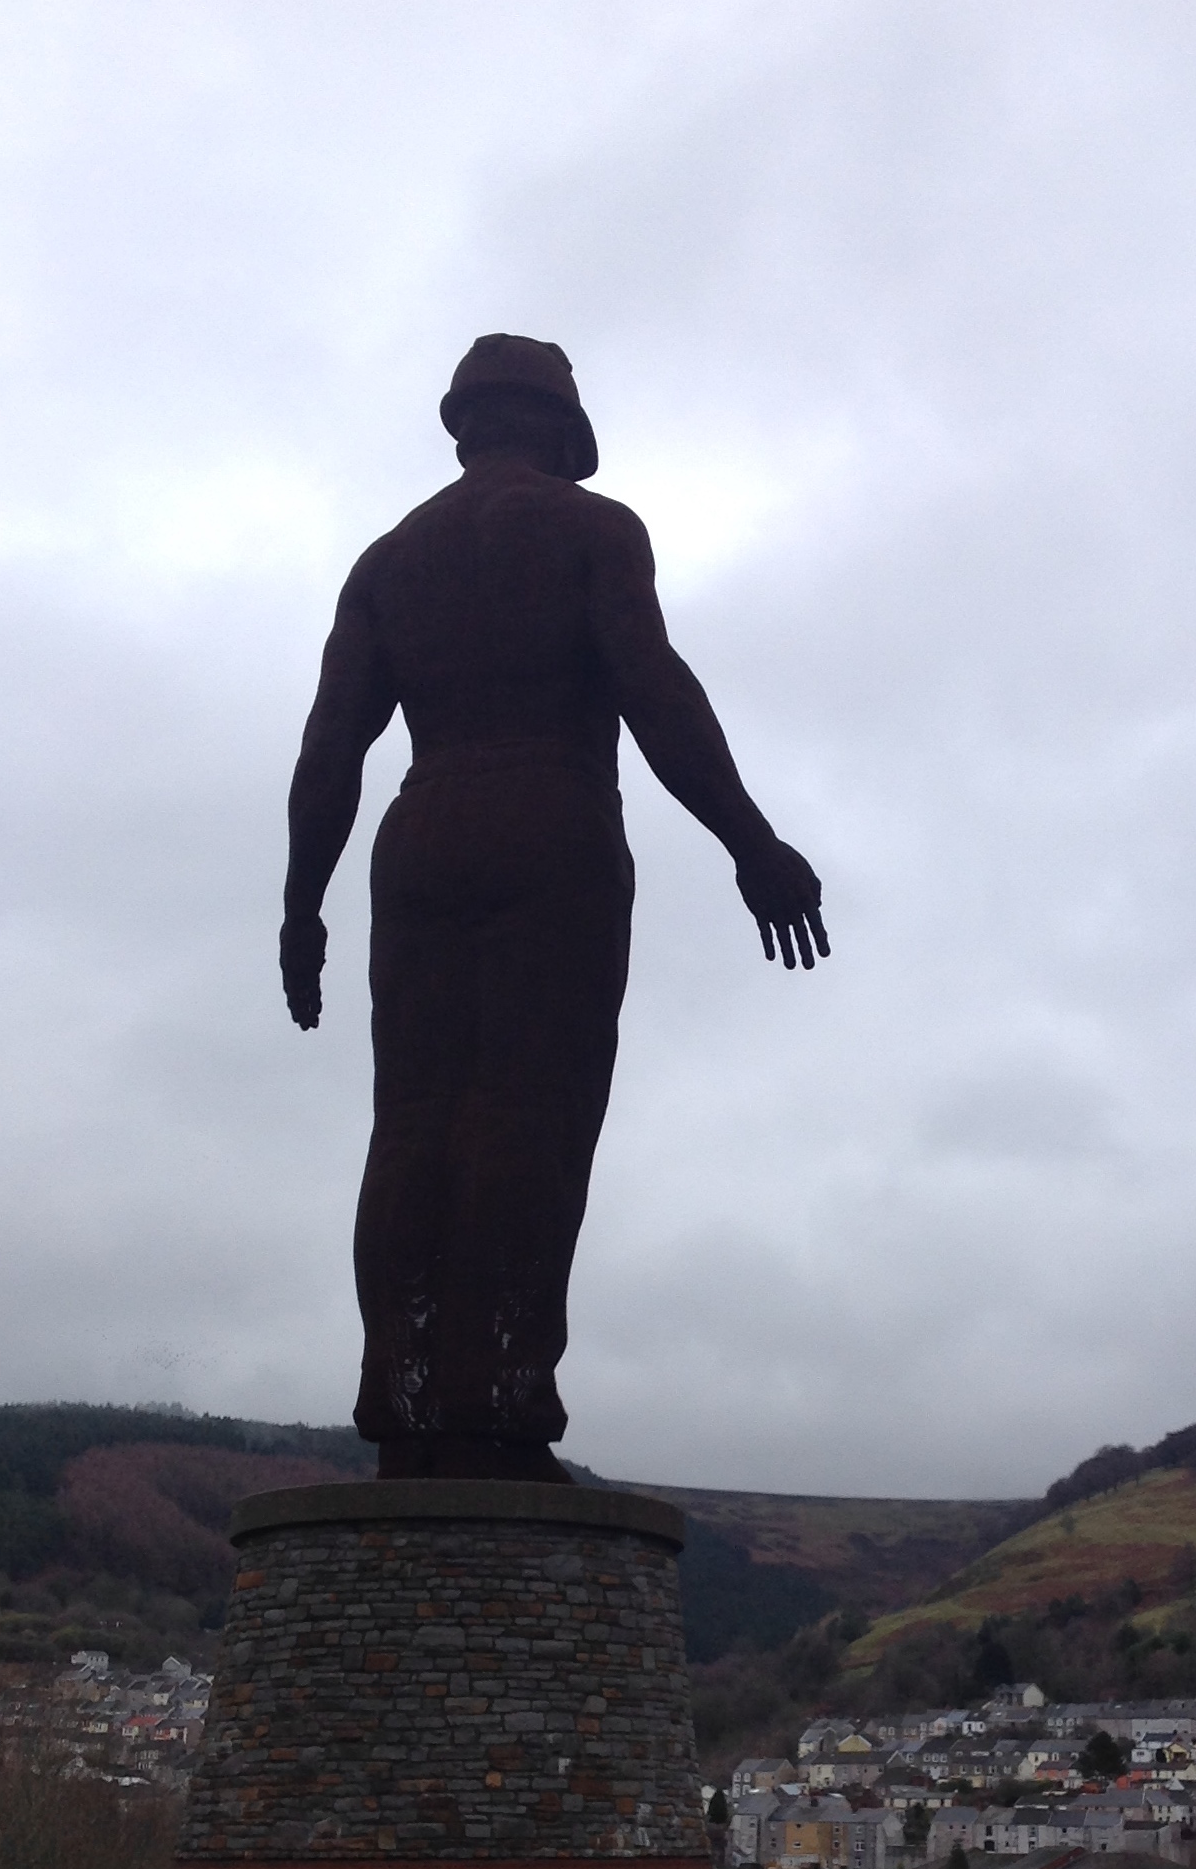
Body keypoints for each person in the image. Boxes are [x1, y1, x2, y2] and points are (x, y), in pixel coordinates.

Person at [280, 335, 828, 1482]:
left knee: (416, 1118)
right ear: (559, 431)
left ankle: (407, 1402)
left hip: (420, 833)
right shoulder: (592, 529)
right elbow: (652, 688)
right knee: (529, 1117)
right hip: (551, 820)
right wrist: (749, 839)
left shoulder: (387, 563)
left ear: (466, 425)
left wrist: (302, 905)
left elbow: (332, 747)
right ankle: (502, 1400)